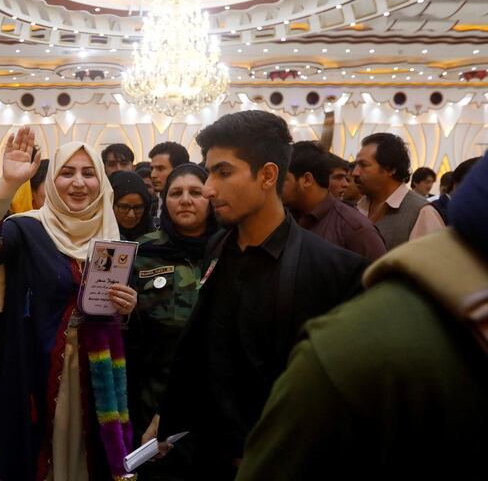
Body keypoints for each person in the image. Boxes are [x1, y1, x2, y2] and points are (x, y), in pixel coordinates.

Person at [235, 154, 488, 481]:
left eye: (362, 166)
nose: (353, 175)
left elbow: (370, 274)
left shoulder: (358, 224)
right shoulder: (348, 356)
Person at [150, 111, 367, 480]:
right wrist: (167, 417)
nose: (208, 188)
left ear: (267, 175)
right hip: (202, 461)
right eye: (210, 173)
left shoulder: (335, 271)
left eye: (223, 172)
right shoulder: (218, 246)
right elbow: (203, 347)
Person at [0, 131, 139, 481]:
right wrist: (9, 183)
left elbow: (124, 324)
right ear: (52, 179)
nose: (78, 182)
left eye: (88, 173)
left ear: (101, 182)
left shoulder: (112, 237)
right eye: (66, 172)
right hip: (35, 372)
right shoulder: (26, 230)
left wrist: (129, 307)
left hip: (96, 376)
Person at [127, 163, 219, 480]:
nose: (185, 200)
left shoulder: (232, 249)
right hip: (152, 399)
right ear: (163, 201)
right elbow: (124, 336)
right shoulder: (142, 252)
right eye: (176, 193)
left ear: (211, 198)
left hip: (216, 405)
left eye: (196, 192)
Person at [282, 141, 386, 261]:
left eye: (284, 179)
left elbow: (380, 276)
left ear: (306, 180)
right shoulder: (285, 218)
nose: (276, 185)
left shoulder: (355, 228)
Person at [353, 133, 444, 250]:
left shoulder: (422, 212)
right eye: (356, 165)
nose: (355, 172)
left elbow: (431, 265)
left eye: (363, 165)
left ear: (390, 169)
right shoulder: (358, 207)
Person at [148, 142, 190, 228]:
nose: (153, 175)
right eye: (152, 168)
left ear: (178, 170)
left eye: (160, 168)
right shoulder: (151, 205)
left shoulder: (190, 205)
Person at [110, 169, 154, 240]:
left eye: (138, 208)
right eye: (124, 207)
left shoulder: (157, 238)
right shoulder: (97, 236)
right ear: (111, 205)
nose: (131, 215)